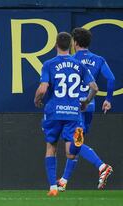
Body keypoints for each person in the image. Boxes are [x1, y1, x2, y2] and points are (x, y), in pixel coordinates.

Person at [34, 32, 98, 196]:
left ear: (56, 45)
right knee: (71, 152)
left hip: (54, 112)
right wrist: (85, 101)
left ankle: (53, 188)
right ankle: (78, 140)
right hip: (73, 112)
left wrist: (37, 99)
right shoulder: (80, 65)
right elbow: (94, 87)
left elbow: (43, 88)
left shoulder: (49, 64)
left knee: (51, 147)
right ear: (71, 45)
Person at [57, 28, 115, 191]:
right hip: (90, 106)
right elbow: (111, 79)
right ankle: (64, 180)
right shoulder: (98, 59)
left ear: (74, 42)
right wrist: (108, 100)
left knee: (74, 142)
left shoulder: (71, 60)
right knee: (77, 141)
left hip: (74, 108)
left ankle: (102, 166)